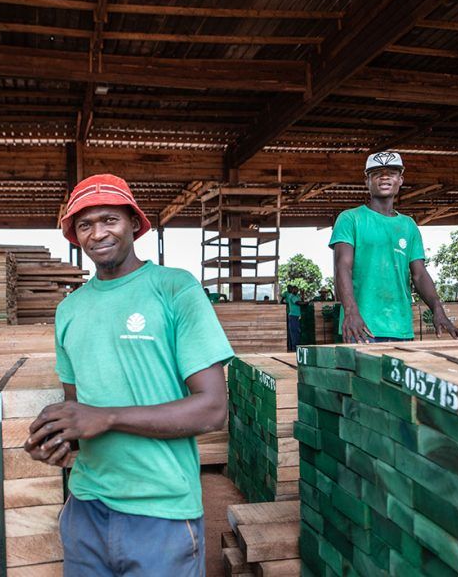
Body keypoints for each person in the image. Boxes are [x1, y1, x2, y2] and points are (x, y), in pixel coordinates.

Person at [25, 174, 233, 576]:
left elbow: (212, 409)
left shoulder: (175, 289)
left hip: (161, 509)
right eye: (85, 225)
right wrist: (55, 443)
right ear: (75, 235)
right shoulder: (69, 311)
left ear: (133, 223)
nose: (98, 233)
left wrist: (108, 417)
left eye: (109, 220)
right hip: (86, 508)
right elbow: (77, 411)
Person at [330, 151, 458, 343]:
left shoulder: (408, 226)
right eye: (376, 173)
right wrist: (350, 311)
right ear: (367, 181)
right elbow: (342, 267)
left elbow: (419, 274)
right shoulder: (350, 219)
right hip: (360, 327)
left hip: (401, 327)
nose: (384, 177)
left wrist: (437, 308)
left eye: (391, 173)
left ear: (400, 180)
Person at [281, 284, 303, 351]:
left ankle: (295, 347)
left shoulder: (296, 296)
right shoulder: (290, 296)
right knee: (293, 332)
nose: (289, 289)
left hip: (296, 315)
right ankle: (293, 348)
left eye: (297, 289)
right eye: (289, 288)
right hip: (291, 314)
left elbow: (301, 301)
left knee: (296, 331)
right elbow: (298, 303)